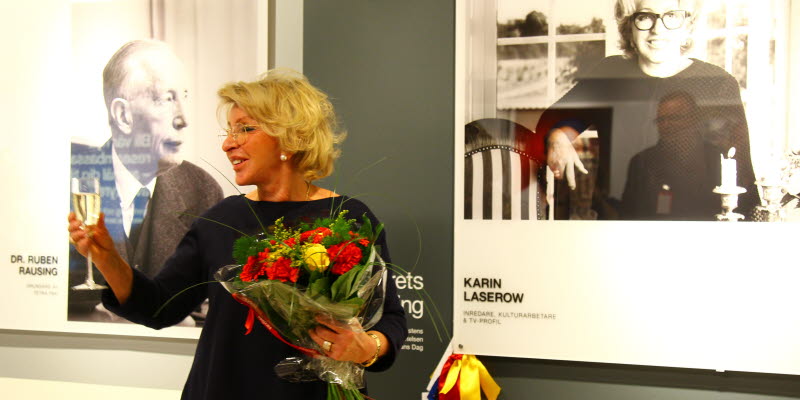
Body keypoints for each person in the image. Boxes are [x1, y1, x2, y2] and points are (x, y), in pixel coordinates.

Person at [68, 69, 408, 399]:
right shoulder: (218, 220)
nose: (229, 144)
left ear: (290, 136)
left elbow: (390, 319)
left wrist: (367, 348)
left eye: (245, 129)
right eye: (228, 131)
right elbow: (159, 307)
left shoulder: (348, 218)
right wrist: (107, 257)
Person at [533, 0, 757, 220]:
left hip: (699, 229)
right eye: (645, 16)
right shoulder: (610, 74)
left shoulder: (717, 83)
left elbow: (742, 172)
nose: (657, 29)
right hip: (618, 227)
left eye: (671, 15)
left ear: (687, 24)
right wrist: (558, 135)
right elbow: (549, 123)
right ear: (629, 25)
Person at [69, 40, 223, 322]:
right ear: (123, 115)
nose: (184, 119)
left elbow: (210, 310)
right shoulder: (66, 176)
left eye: (184, 96)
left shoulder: (203, 190)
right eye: (166, 99)